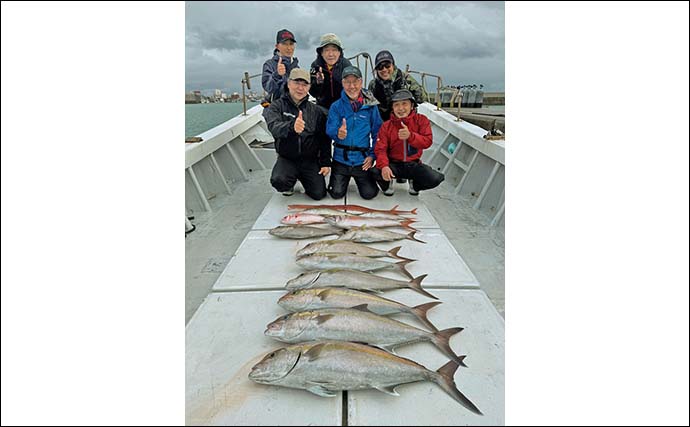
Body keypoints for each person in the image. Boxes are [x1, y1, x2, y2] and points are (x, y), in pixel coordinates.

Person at [263, 68, 332, 199]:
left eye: (304, 84)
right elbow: (273, 127)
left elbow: (324, 139)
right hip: (287, 158)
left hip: (310, 159)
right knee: (279, 181)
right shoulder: (276, 106)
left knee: (318, 194)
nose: (300, 88)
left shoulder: (317, 111)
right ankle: (289, 182)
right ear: (289, 83)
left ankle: (303, 177)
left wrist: (325, 162)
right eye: (296, 83)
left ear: (309, 87)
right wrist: (291, 126)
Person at [371, 89, 444, 196]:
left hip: (413, 164)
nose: (401, 108)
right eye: (396, 105)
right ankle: (387, 183)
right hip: (393, 164)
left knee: (436, 178)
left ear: (412, 105)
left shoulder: (422, 120)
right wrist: (384, 166)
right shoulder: (386, 126)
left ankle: (415, 185)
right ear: (392, 108)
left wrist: (411, 136)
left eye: (404, 104)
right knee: (374, 172)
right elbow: (380, 149)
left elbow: (427, 142)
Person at [326, 66, 382, 200]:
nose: (352, 86)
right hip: (340, 159)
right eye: (347, 82)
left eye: (355, 82)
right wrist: (337, 133)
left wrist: (372, 155)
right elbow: (329, 129)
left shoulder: (371, 106)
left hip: (362, 160)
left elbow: (378, 133)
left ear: (361, 82)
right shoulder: (336, 106)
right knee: (336, 194)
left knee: (369, 194)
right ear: (343, 83)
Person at [368, 50, 427, 122]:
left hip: (406, 121)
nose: (384, 69)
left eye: (387, 65)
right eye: (380, 67)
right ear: (376, 70)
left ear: (393, 65)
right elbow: (369, 107)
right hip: (384, 123)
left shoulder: (405, 79)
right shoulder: (373, 85)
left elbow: (422, 98)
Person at [309, 33, 353, 110]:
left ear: (339, 52)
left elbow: (353, 90)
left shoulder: (346, 65)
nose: (330, 54)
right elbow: (313, 93)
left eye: (334, 50)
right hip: (323, 107)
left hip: (343, 106)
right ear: (321, 53)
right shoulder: (316, 66)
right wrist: (318, 83)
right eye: (326, 50)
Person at [261, 29, 300, 105]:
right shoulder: (269, 64)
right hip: (275, 107)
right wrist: (277, 75)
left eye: (291, 44)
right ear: (277, 46)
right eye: (285, 44)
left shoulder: (296, 66)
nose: (289, 48)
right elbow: (268, 88)